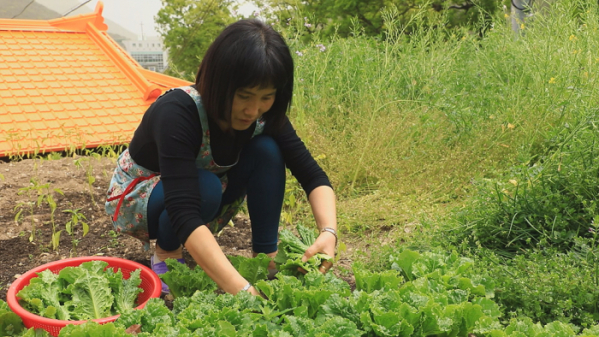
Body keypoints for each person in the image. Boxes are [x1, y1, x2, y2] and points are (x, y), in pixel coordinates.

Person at [105, 19, 337, 296]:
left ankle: (267, 258)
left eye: (266, 97)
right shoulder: (178, 111)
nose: (253, 110)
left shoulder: (264, 116)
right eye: (244, 96)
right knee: (205, 187)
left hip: (203, 192)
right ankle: (167, 250)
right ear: (219, 82)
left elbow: (312, 175)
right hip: (141, 196)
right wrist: (242, 291)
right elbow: (183, 207)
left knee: (267, 150)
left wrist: (329, 232)